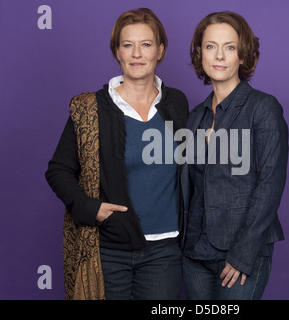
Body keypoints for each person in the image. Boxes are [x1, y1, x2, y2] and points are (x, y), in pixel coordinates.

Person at [45, 8, 189, 300]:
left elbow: (190, 166)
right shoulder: (91, 108)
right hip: (108, 250)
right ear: (117, 51)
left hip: (164, 251)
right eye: (128, 45)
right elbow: (58, 170)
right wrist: (89, 207)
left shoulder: (177, 103)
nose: (137, 53)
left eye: (146, 44)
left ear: (160, 51)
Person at [181, 11, 289, 300]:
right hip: (194, 253)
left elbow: (271, 183)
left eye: (229, 47)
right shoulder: (195, 117)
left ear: (242, 55)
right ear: (200, 54)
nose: (219, 55)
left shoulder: (262, 108)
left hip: (242, 252)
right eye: (210, 46)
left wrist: (243, 254)